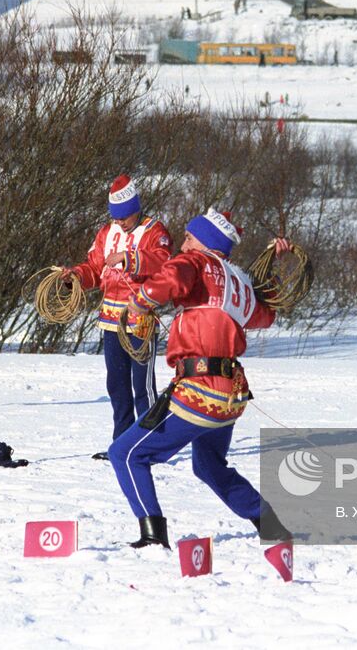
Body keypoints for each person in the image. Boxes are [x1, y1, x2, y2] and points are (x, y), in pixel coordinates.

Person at [107, 209, 292, 549]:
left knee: (125, 453)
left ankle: (153, 535)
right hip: (231, 395)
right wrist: (274, 270)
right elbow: (265, 316)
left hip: (200, 391)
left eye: (190, 237)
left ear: (206, 242)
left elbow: (172, 277)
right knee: (208, 466)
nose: (184, 244)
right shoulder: (239, 282)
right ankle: (270, 523)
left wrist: (139, 303)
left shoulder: (195, 260)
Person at [61, 175, 174, 458]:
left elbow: (164, 262)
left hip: (140, 320)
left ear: (136, 208)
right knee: (117, 384)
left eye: (125, 216)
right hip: (110, 321)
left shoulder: (155, 231)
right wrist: (76, 276)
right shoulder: (106, 233)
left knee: (143, 387)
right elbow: (93, 267)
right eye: (116, 217)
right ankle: (122, 442)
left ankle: (149, 445)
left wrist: (130, 258)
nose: (120, 222)